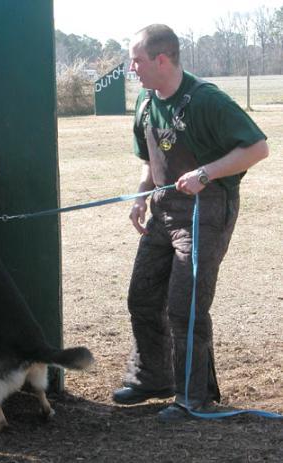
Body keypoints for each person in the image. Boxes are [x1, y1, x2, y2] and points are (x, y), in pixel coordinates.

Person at [112, 24, 269, 420]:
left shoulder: (207, 101)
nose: (132, 68)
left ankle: (193, 396)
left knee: (186, 306)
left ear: (161, 60)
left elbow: (258, 148)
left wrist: (207, 173)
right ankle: (153, 377)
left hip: (207, 210)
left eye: (137, 60)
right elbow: (153, 159)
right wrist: (140, 195)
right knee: (143, 297)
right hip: (162, 208)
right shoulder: (146, 102)